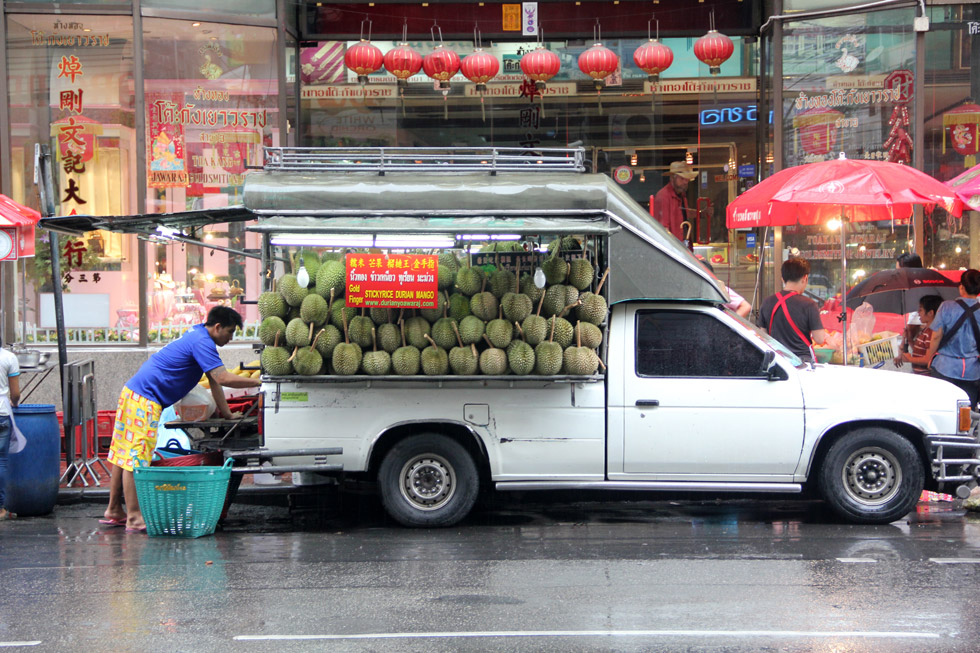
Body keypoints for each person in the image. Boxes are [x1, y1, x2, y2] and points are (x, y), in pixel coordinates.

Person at [103, 306, 261, 532]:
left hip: (134, 393)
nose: (231, 337)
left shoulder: (197, 334)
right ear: (217, 327)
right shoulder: (202, 342)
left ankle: (114, 510)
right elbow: (223, 377)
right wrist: (259, 382)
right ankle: (134, 517)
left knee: (123, 453)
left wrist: (226, 414)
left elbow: (214, 381)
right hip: (145, 398)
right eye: (230, 331)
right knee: (135, 457)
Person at [924, 269, 980, 407]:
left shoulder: (946, 307)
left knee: (943, 408)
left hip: (945, 368)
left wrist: (929, 357)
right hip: (972, 372)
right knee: (967, 412)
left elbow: (936, 336)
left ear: (961, 287)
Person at [758, 258, 828, 362]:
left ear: (782, 279)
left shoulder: (767, 302)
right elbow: (819, 339)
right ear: (805, 278)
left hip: (778, 361)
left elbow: (763, 336)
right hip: (802, 362)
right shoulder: (809, 304)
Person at [894, 295, 942, 375]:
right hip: (918, 373)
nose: (918, 313)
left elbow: (928, 359)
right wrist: (909, 339)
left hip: (926, 375)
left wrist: (910, 359)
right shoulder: (925, 330)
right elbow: (920, 352)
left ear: (930, 313)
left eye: (920, 310)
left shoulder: (932, 333)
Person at [0, 341, 21, 522]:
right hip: (2, 414)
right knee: (1, 462)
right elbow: (15, 393)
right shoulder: (9, 358)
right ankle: (0, 509)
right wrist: (15, 403)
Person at [654, 161, 698, 242]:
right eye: (682, 178)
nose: (685, 182)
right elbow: (663, 230)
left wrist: (701, 213)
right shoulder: (663, 196)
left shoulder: (681, 195)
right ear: (672, 178)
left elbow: (684, 213)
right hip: (673, 248)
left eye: (687, 179)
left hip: (682, 246)